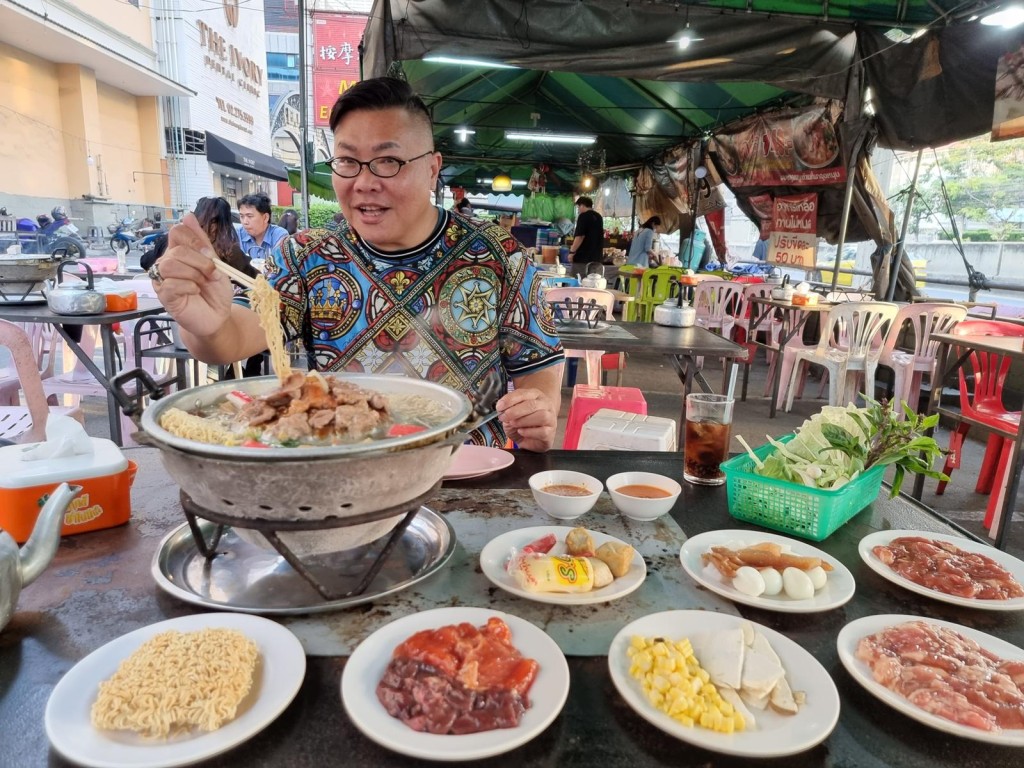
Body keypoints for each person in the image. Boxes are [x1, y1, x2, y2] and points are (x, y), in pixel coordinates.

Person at [150, 76, 564, 451]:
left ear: (433, 168)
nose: (364, 182)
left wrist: (538, 411)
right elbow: (234, 336)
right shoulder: (307, 254)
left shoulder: (497, 253)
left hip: (468, 474)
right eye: (348, 162)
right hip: (345, 475)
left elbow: (540, 366)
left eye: (388, 161)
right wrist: (200, 322)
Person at [237, 193, 289, 258]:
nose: (245, 222)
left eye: (249, 216)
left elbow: (278, 265)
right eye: (242, 216)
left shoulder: (279, 235)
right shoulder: (238, 234)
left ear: (265, 218)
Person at [568, 196, 603, 265]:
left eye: (578, 207)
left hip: (583, 259)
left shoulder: (583, 216)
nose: (578, 209)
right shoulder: (599, 217)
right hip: (597, 258)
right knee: (594, 276)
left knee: (579, 276)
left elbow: (580, 236)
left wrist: (572, 252)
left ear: (582, 205)